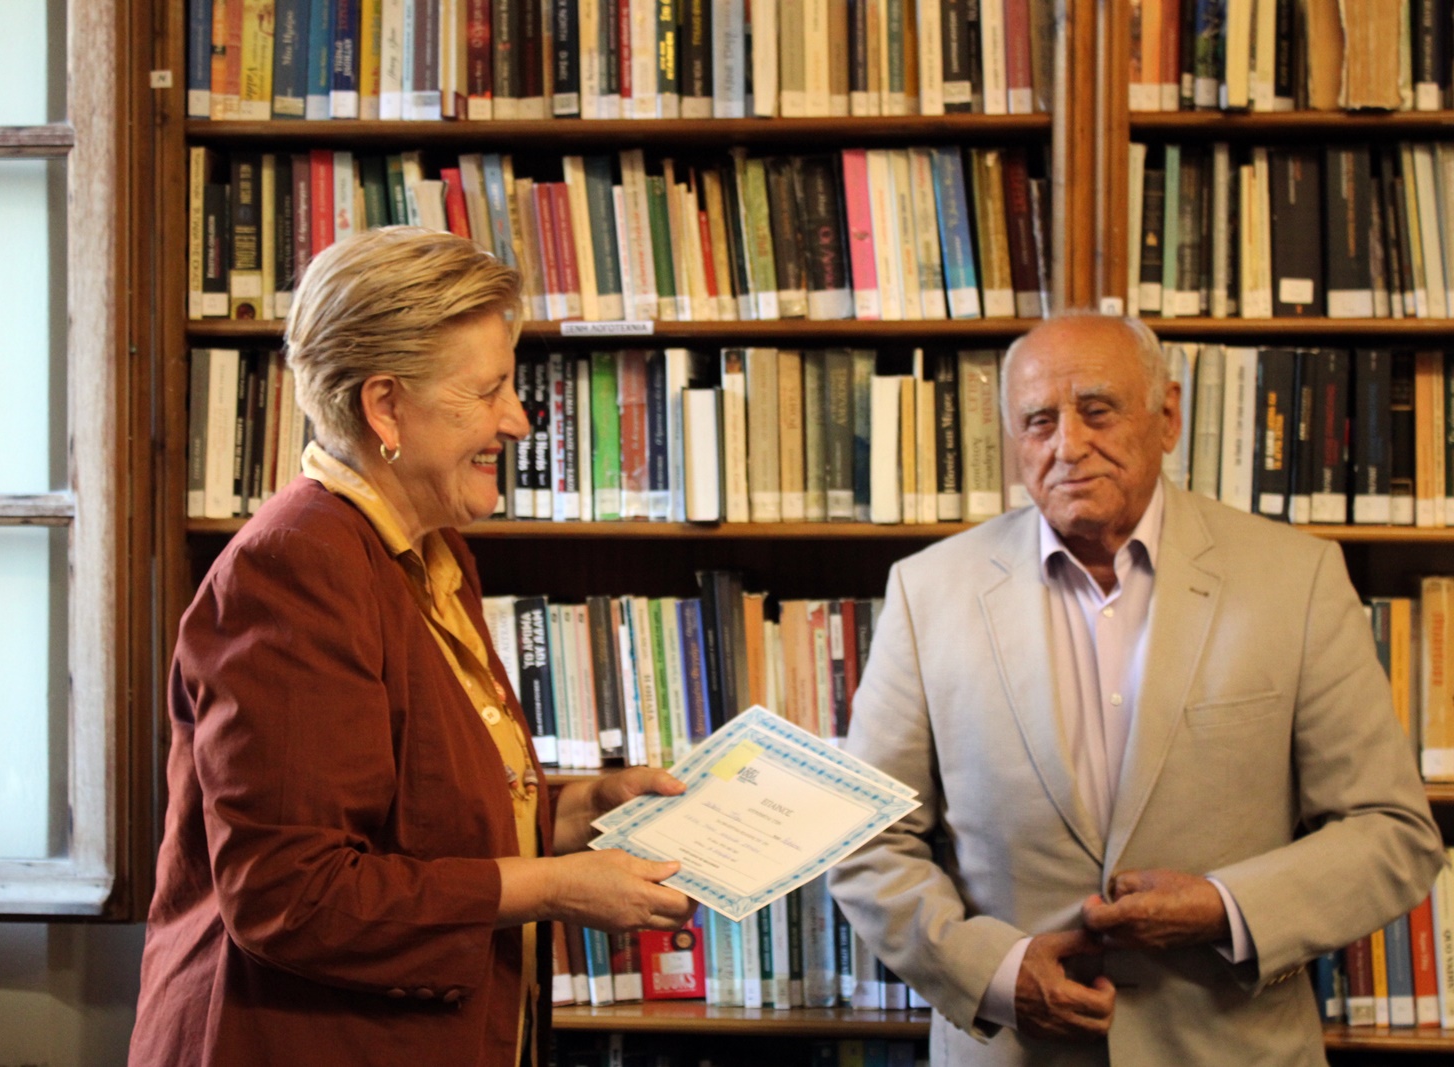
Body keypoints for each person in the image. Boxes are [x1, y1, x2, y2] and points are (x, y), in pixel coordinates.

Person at [129, 227, 695, 1067]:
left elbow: (422, 813)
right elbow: (293, 893)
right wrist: (555, 888)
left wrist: (582, 811)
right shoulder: (297, 566)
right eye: (489, 390)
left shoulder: (431, 550)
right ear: (385, 406)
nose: (518, 419)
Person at [830, 312, 1445, 1066]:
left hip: (1231, 1047)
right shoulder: (927, 591)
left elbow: (1391, 830)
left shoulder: (1297, 578)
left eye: (1097, 411)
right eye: (1039, 421)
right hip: (1018, 1051)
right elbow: (865, 840)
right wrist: (993, 973)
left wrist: (1225, 908)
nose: (1068, 445)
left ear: (1168, 416)